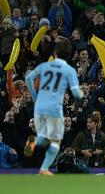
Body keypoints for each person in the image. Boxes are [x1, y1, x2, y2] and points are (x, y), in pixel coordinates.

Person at [25, 36, 83, 175]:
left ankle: (35, 142)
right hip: (54, 109)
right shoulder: (69, 70)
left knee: (45, 138)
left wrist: (34, 96)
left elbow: (28, 78)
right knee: (55, 142)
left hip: (39, 107)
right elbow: (76, 93)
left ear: (55, 53)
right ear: (68, 55)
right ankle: (44, 168)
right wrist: (81, 95)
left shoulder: (44, 66)